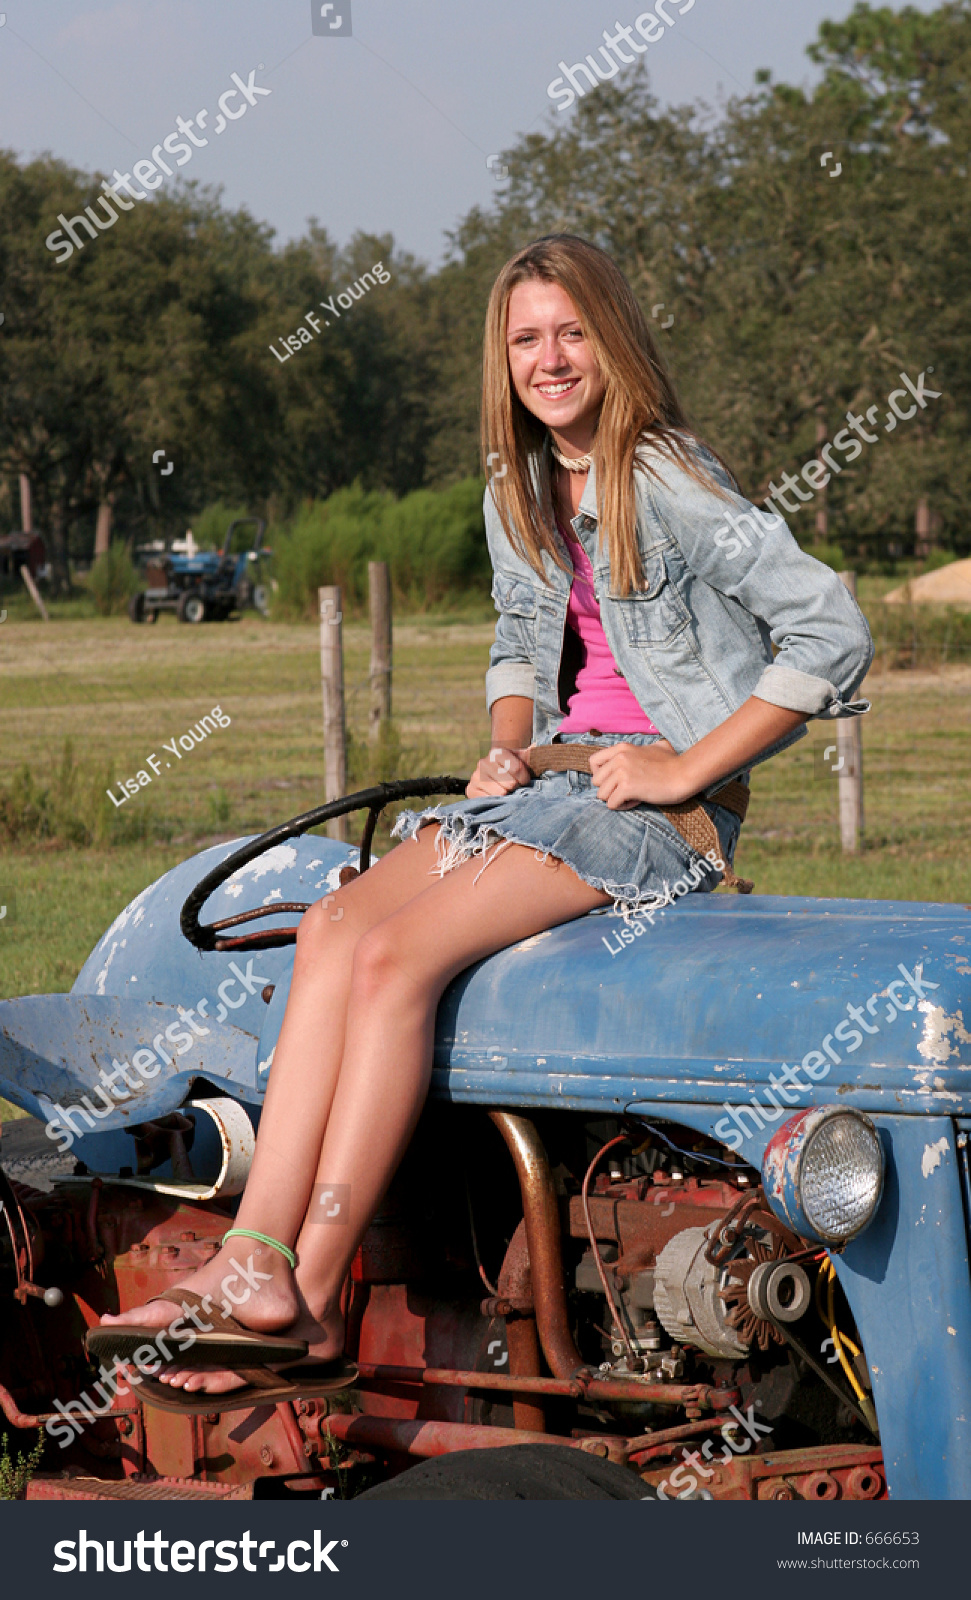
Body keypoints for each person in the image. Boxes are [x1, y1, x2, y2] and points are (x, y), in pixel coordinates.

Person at [90, 234, 872, 1406]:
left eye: (568, 334)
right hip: (556, 786)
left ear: (611, 342)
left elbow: (830, 629)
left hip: (654, 820)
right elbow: (523, 641)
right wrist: (507, 740)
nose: (547, 359)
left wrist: (682, 769)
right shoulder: (521, 487)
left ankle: (306, 1281)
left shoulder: (659, 475)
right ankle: (253, 1258)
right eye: (524, 340)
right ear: (500, 364)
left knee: (397, 958)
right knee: (330, 930)